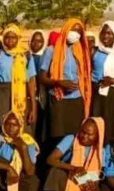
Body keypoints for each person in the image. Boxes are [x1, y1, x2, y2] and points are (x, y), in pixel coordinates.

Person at [39, 19, 92, 148]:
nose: (76, 34)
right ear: (65, 30)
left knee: (74, 136)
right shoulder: (51, 50)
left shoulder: (81, 51)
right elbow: (42, 78)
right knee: (56, 136)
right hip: (58, 99)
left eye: (79, 31)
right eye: (73, 30)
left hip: (77, 99)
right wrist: (59, 82)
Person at [43, 117, 106, 191]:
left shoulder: (101, 151)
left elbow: (97, 174)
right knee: (55, 173)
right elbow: (50, 159)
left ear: (97, 136)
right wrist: (73, 168)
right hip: (68, 175)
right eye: (82, 131)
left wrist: (93, 184)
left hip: (84, 180)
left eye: (89, 134)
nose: (84, 136)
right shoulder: (71, 139)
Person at [0, 24, 38, 131]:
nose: (10, 40)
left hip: (21, 95)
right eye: (7, 37)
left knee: (20, 125)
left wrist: (33, 107)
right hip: (3, 94)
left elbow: (31, 81)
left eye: (13, 37)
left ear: (18, 38)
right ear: (3, 38)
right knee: (3, 125)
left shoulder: (26, 55)